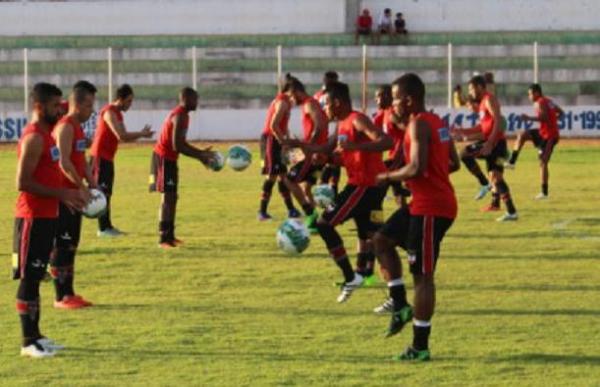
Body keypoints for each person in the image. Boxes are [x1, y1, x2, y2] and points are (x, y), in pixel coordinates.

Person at [372, 73, 459, 362]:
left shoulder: (419, 123)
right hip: (423, 203)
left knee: (422, 277)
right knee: (381, 240)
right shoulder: (437, 122)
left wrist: (386, 176)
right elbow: (453, 163)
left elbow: (417, 168)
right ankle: (400, 305)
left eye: (395, 99)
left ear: (408, 100)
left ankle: (420, 347)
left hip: (431, 208)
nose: (392, 104)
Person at [288, 81, 392, 303]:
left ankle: (350, 276)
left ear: (337, 102)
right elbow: (327, 149)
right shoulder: (341, 124)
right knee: (373, 236)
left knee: (325, 223)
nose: (324, 109)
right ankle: (394, 294)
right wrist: (303, 147)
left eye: (326, 104)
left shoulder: (357, 119)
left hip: (365, 185)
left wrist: (356, 148)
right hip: (365, 184)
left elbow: (386, 141)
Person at [13, 82, 88, 358]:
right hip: (31, 218)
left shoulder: (47, 136)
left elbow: (51, 174)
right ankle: (27, 342)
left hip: (48, 216)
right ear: (38, 107)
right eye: (55, 105)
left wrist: (68, 195)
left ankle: (37, 336)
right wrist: (61, 192)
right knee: (29, 278)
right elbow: (22, 182)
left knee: (37, 276)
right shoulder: (33, 137)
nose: (61, 109)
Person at [149, 87, 217, 248]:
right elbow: (177, 145)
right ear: (186, 99)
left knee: (172, 197)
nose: (197, 102)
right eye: (195, 99)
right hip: (163, 158)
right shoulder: (180, 115)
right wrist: (200, 155)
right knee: (168, 197)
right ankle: (163, 238)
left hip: (170, 158)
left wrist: (200, 155)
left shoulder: (183, 115)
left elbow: (181, 144)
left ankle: (170, 236)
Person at [50, 80, 97, 309]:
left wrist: (93, 181)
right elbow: (63, 162)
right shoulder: (66, 126)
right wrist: (81, 186)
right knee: (63, 243)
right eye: (89, 106)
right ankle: (61, 297)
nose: (92, 111)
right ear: (77, 105)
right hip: (65, 195)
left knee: (72, 244)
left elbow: (81, 159)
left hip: (76, 194)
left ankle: (70, 293)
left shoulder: (78, 127)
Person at [89, 84, 154, 237]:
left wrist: (141, 134)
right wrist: (142, 134)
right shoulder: (109, 112)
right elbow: (121, 136)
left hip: (107, 158)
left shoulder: (118, 114)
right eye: (129, 101)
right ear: (120, 99)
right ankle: (103, 229)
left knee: (106, 193)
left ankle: (107, 227)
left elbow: (123, 135)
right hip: (99, 158)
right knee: (101, 193)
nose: (130, 105)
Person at [452, 75, 518, 221]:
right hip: (496, 144)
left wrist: (489, 143)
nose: (470, 92)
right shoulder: (483, 103)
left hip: (496, 144)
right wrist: (463, 131)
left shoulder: (489, 99)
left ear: (480, 87)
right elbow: (483, 127)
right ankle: (511, 212)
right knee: (497, 178)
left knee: (463, 153)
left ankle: (483, 183)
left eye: (471, 88)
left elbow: (498, 122)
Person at [283, 75, 328, 232]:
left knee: (289, 179)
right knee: (306, 187)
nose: (290, 100)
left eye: (290, 96)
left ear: (295, 91)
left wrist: (311, 147)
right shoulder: (309, 104)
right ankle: (315, 222)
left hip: (313, 153)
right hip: (315, 152)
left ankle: (310, 213)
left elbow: (320, 125)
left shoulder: (309, 104)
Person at [506, 84, 563, 199]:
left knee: (543, 162)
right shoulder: (548, 101)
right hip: (543, 133)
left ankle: (544, 193)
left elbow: (545, 118)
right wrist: (554, 121)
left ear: (536, 93)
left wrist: (529, 118)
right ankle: (512, 162)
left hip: (550, 136)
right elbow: (561, 112)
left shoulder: (541, 102)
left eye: (530, 94)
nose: (529, 96)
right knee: (523, 135)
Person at [315, 71, 342, 197]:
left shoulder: (338, 96)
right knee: (327, 167)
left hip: (334, 135)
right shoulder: (319, 97)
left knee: (334, 166)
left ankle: (331, 199)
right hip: (324, 136)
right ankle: (325, 198)